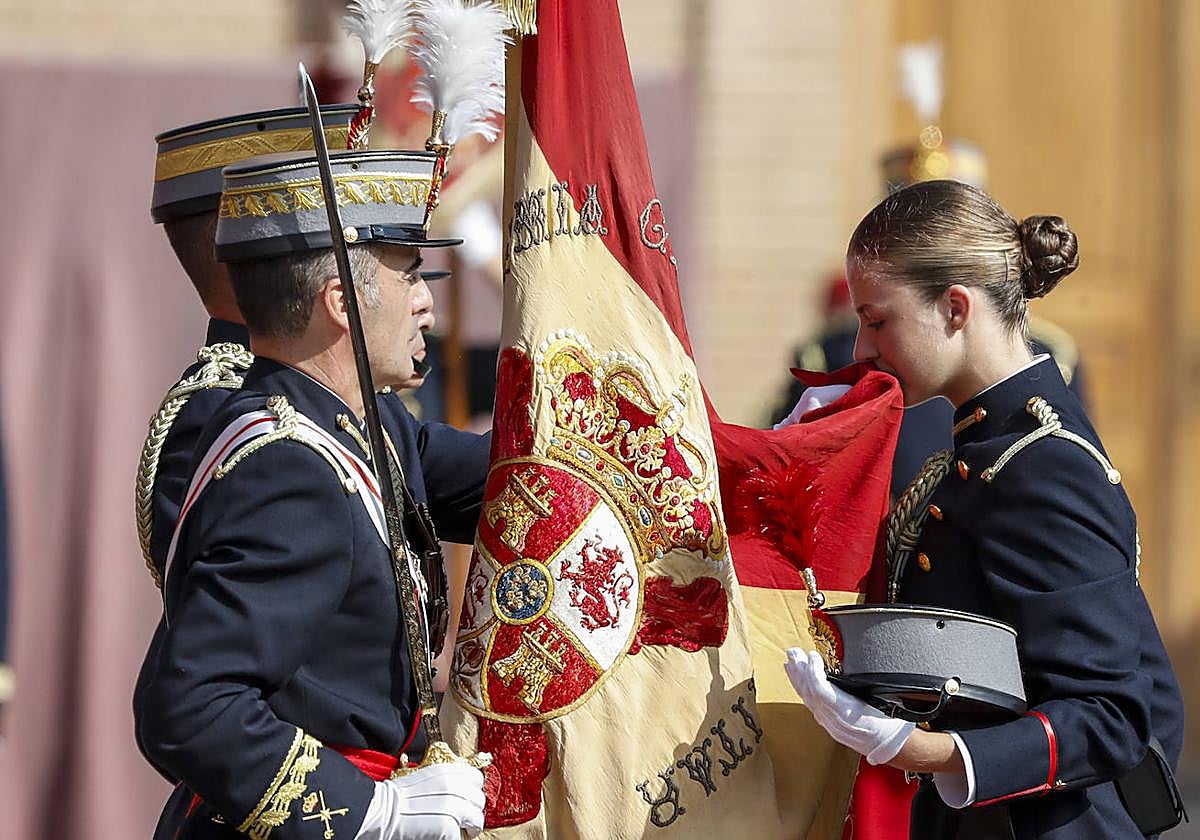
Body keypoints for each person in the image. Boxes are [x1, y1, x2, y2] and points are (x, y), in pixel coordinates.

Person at [784, 179, 1184, 839]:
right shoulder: (987, 443)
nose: (859, 351)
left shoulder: (1043, 464)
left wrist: (921, 751)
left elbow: (1114, 717)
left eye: (878, 320)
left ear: (956, 308)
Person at [138, 149, 488, 840]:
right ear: (341, 303)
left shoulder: (370, 421)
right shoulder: (291, 468)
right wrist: (369, 813)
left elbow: (501, 478)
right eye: (407, 273)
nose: (425, 299)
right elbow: (188, 704)